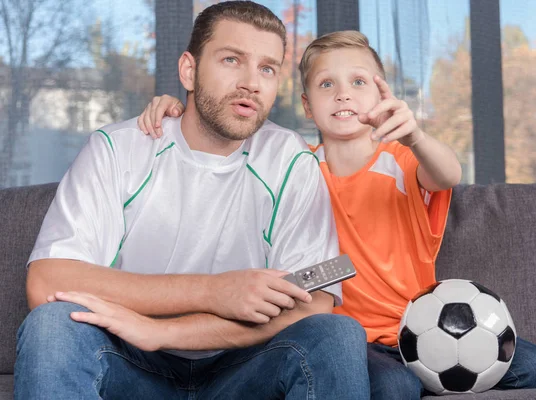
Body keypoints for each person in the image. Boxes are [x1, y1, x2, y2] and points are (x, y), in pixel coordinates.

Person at [140, 29, 536, 399]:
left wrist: (416, 136)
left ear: (381, 95)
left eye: (358, 82)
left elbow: (447, 173)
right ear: (307, 105)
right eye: (326, 84)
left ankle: (438, 374)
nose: (343, 94)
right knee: (395, 387)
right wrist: (182, 107)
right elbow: (228, 135)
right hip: (349, 339)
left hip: (427, 326)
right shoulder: (299, 168)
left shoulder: (403, 161)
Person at [15, 3, 371, 399]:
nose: (251, 82)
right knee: (51, 326)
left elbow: (314, 302)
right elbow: (47, 281)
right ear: (189, 70)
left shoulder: (291, 159)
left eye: (267, 68)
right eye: (232, 60)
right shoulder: (118, 148)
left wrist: (162, 329)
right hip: (130, 361)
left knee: (337, 333)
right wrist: (213, 292)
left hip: (242, 364)